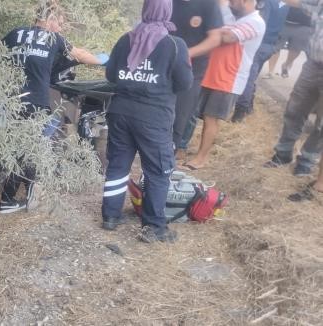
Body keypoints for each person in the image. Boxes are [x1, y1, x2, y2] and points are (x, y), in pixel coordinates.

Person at [0, 2, 105, 214]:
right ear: (50, 20)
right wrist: (104, 62)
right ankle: (10, 199)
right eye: (60, 23)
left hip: (11, 102)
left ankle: (21, 196)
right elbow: (80, 55)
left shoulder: (15, 33)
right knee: (31, 151)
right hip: (36, 103)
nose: (60, 28)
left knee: (22, 149)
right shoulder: (53, 38)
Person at [101, 0, 193, 243]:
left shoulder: (126, 39)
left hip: (120, 112)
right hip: (154, 118)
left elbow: (111, 75)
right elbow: (185, 83)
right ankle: (153, 227)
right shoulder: (175, 45)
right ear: (167, 11)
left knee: (118, 165)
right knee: (158, 171)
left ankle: (110, 216)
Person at [182, 0, 266, 170]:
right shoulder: (235, 17)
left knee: (210, 119)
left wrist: (212, 30)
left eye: (233, 1)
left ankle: (201, 158)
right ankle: (182, 149)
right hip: (210, 73)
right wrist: (215, 29)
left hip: (228, 78)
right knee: (191, 111)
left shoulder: (255, 22)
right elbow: (216, 30)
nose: (231, 3)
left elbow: (226, 37)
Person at [265, 0, 322, 176]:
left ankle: (307, 161)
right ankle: (283, 153)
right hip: (313, 64)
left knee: (321, 122)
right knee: (295, 108)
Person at [170, 0, 225, 162]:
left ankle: (167, 160)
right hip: (163, 67)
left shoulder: (209, 4)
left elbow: (215, 39)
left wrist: (185, 53)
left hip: (192, 71)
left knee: (179, 116)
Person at [232, 0, 290, 122]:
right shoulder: (285, 4)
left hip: (261, 42)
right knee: (252, 76)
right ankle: (248, 107)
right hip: (270, 44)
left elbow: (261, 22)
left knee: (248, 76)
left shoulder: (268, 3)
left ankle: (240, 111)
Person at [265, 6, 314, 78]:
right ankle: (270, 71)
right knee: (276, 46)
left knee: (296, 48)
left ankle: (287, 64)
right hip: (283, 20)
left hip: (304, 24)